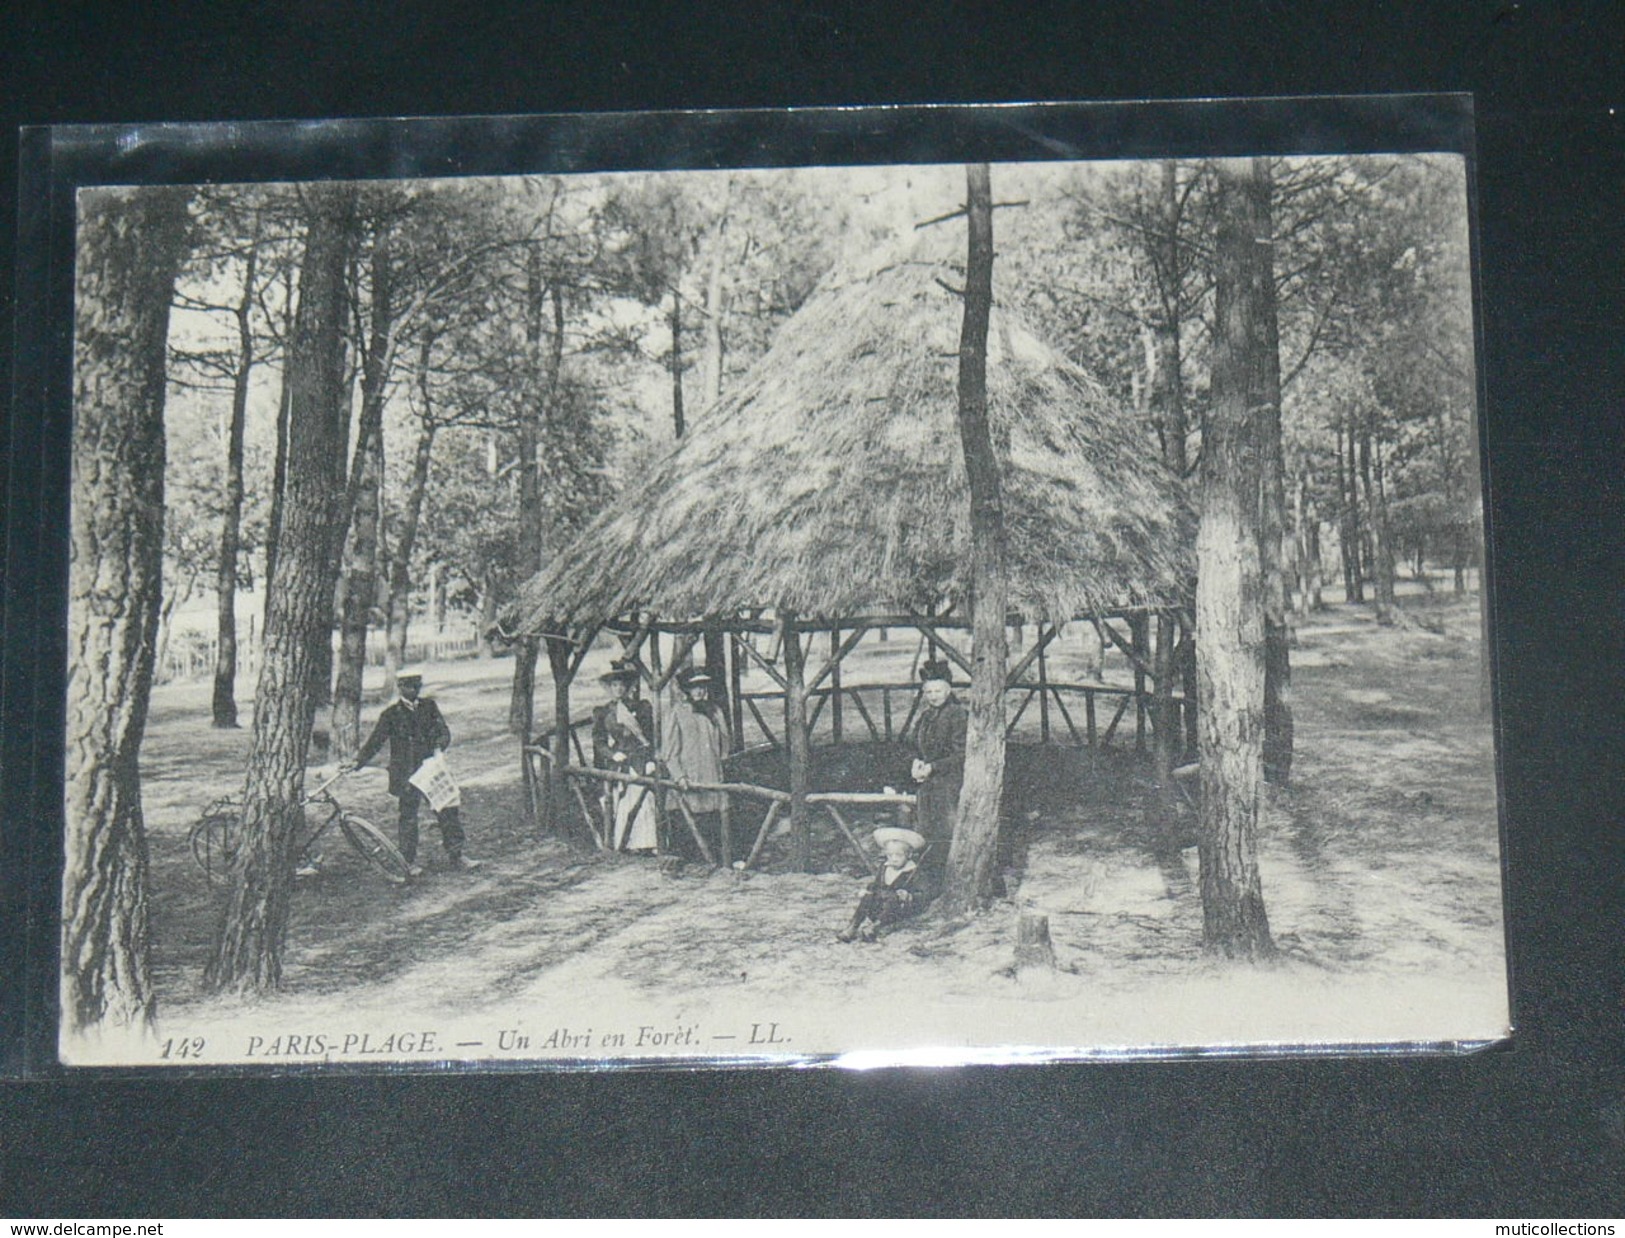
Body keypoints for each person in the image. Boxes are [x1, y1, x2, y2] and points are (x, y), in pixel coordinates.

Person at [346, 668, 479, 874]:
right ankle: (407, 861)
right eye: (410, 686)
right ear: (400, 687)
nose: (415, 690)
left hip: (430, 770)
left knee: (446, 809)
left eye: (418, 686)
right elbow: (375, 742)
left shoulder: (429, 706)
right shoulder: (390, 714)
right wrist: (358, 761)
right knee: (408, 816)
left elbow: (444, 731)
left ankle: (457, 854)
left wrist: (438, 746)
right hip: (406, 774)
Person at [660, 667, 731, 862]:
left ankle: (715, 861)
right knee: (688, 823)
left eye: (702, 687)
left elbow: (725, 744)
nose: (699, 691)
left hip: (712, 776)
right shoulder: (677, 713)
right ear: (687, 690)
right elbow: (669, 753)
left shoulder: (715, 712)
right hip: (689, 779)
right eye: (694, 687)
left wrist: (721, 764)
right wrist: (679, 777)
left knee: (714, 822)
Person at [909, 658, 966, 886]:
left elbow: (962, 755)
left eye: (938, 690)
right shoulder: (925, 717)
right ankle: (929, 882)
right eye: (929, 691)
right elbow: (914, 746)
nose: (933, 696)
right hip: (927, 783)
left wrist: (934, 767)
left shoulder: (957, 714)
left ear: (948, 690)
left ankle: (951, 880)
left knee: (947, 831)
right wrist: (916, 763)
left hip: (950, 782)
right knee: (925, 830)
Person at [592, 661, 658, 851]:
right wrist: (612, 755)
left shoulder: (641, 707)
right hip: (620, 760)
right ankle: (627, 843)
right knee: (621, 801)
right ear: (610, 688)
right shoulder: (603, 712)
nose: (618, 689)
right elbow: (598, 740)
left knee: (645, 799)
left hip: (640, 757)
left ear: (627, 687)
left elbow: (650, 735)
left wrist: (650, 758)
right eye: (614, 685)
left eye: (621, 685)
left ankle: (649, 842)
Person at [837, 826, 932, 942]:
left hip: (897, 911)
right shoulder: (885, 868)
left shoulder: (913, 871)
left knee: (893, 898)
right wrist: (868, 891)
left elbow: (924, 894)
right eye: (890, 855)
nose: (894, 859)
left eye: (899, 855)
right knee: (868, 897)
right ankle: (853, 926)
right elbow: (876, 884)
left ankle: (874, 928)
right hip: (878, 907)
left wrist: (909, 895)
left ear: (909, 855)